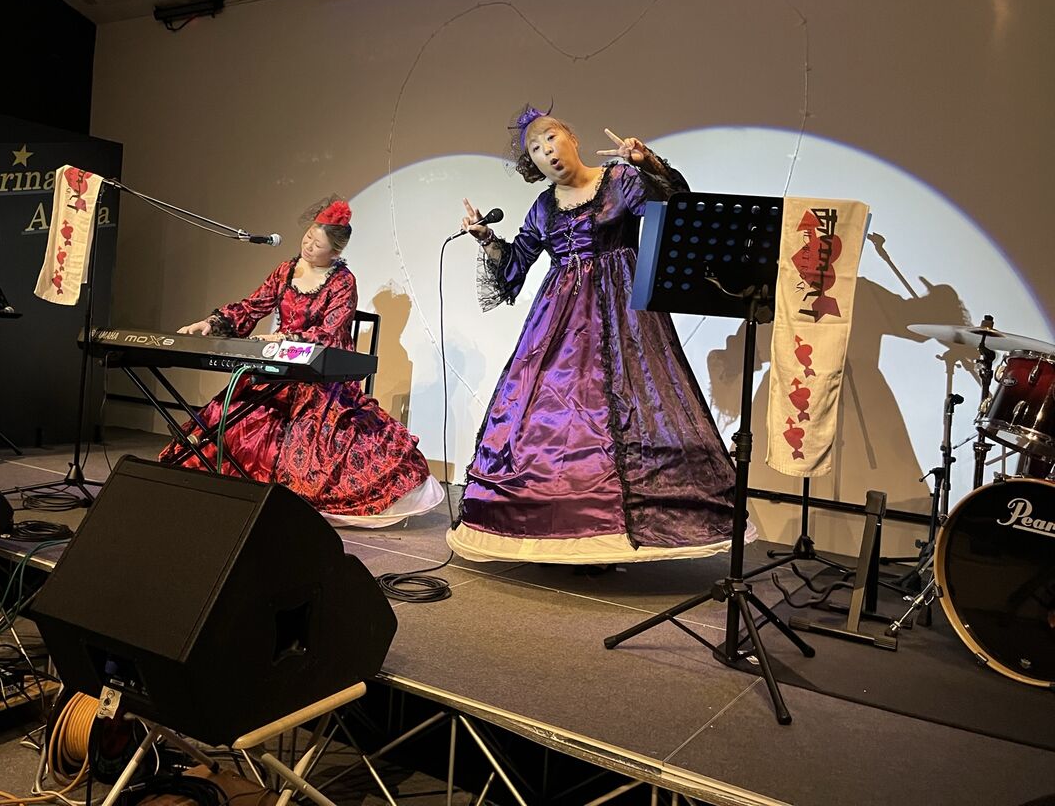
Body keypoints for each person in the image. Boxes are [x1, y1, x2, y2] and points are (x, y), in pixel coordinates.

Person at [447, 106, 738, 564]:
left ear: (572, 138)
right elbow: (513, 270)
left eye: (551, 138)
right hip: (558, 322)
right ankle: (565, 517)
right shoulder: (543, 208)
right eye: (536, 149)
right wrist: (485, 237)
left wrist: (648, 163)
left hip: (623, 314)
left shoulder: (619, 180)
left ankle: (616, 520)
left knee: (626, 402)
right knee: (550, 411)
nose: (547, 151)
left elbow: (676, 208)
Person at [160, 197, 444, 528]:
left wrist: (285, 338)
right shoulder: (286, 270)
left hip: (317, 377)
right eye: (308, 237)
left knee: (313, 446)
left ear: (335, 251)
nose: (308, 246)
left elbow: (329, 332)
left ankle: (286, 500)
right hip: (277, 368)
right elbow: (253, 306)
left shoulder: (343, 282)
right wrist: (212, 322)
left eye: (317, 244)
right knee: (234, 413)